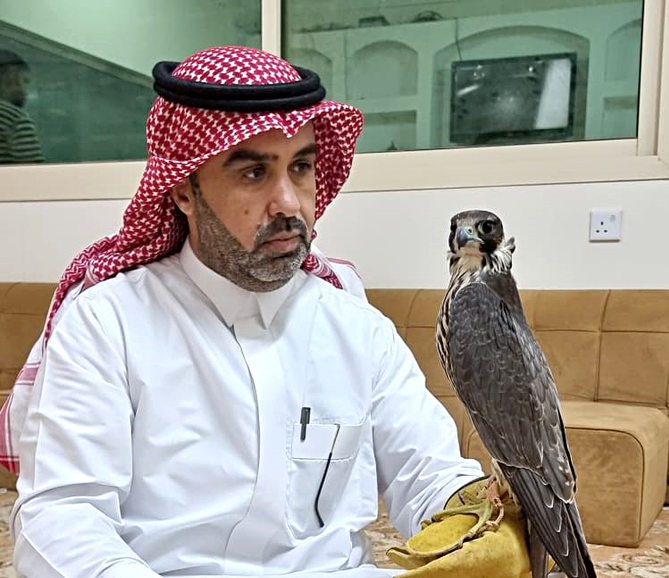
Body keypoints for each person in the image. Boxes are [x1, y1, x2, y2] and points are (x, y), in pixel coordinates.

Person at [5, 46, 488, 578]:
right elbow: (62, 514)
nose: (288, 203)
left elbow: (430, 471)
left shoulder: (353, 323)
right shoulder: (108, 323)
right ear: (185, 191)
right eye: (254, 173)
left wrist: (482, 521)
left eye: (301, 167)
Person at [0, 50, 44, 164]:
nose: (26, 91)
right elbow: (34, 172)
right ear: (10, 79)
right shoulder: (16, 118)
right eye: (25, 81)